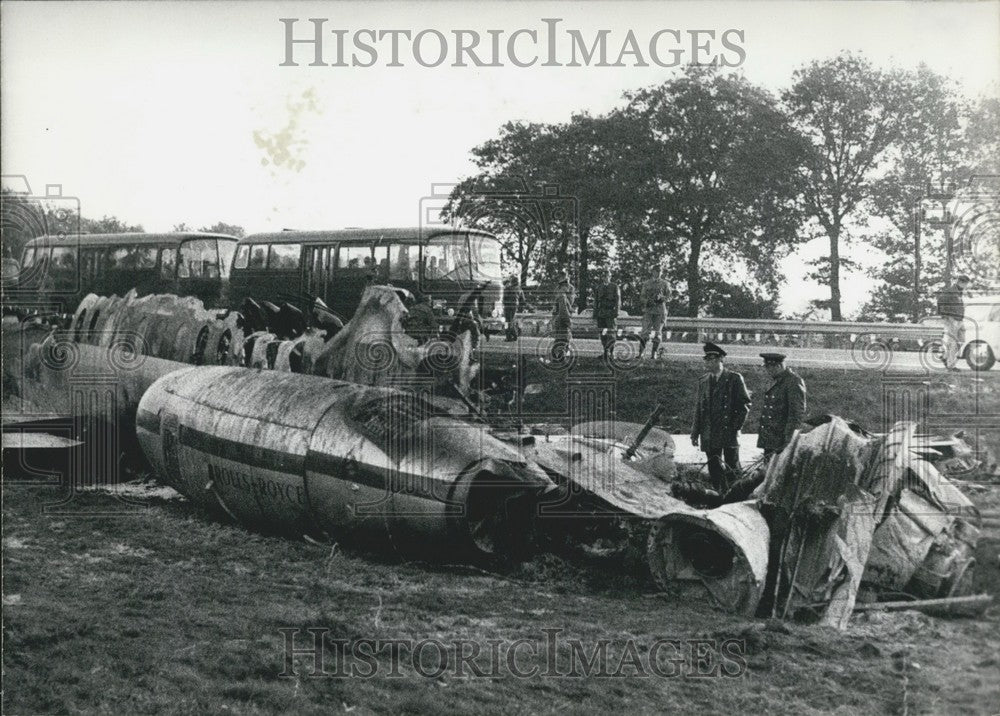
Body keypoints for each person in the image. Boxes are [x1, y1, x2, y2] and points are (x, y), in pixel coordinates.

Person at [690, 342, 752, 491]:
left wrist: (735, 427)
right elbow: (699, 409)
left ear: (720, 360)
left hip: (727, 431)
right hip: (709, 431)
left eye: (712, 359)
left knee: (732, 466)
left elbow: (744, 405)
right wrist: (695, 433)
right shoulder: (703, 381)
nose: (709, 362)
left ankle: (737, 494)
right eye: (707, 359)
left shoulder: (734, 379)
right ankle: (719, 495)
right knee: (714, 467)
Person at [756, 353, 807, 462]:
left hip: (781, 439)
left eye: (768, 367)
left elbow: (797, 413)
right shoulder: (776, 380)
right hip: (771, 438)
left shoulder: (793, 381)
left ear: (777, 366)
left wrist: (789, 439)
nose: (767, 371)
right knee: (769, 470)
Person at [938, 274, 971, 371]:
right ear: (960, 282)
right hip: (952, 320)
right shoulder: (950, 291)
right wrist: (947, 317)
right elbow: (940, 302)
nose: (966, 286)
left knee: (961, 340)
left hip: (959, 320)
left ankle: (944, 357)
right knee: (953, 342)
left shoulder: (959, 292)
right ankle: (950, 365)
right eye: (965, 284)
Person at [638, 264, 670, 359]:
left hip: (660, 311)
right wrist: (648, 301)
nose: (658, 273)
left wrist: (662, 298)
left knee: (657, 333)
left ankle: (654, 353)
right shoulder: (647, 283)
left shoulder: (665, 284)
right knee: (644, 332)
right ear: (653, 272)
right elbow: (642, 296)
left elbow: (669, 297)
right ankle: (641, 353)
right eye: (656, 271)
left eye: (659, 271)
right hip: (649, 310)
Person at [592, 267, 621, 361]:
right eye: (603, 276)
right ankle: (605, 352)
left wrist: (616, 312)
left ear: (610, 276)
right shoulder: (599, 287)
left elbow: (617, 300)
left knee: (611, 333)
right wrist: (595, 314)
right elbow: (596, 301)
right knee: (602, 334)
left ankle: (611, 353)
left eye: (607, 276)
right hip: (601, 313)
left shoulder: (614, 286)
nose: (605, 278)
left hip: (610, 313)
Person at [550, 273, 574, 362]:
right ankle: (560, 356)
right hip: (563, 315)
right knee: (565, 337)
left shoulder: (559, 289)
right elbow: (565, 306)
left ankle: (555, 356)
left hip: (557, 316)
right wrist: (568, 319)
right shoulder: (568, 289)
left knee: (559, 338)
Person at [503, 276, 530, 342]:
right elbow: (523, 300)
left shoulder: (508, 288)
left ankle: (511, 336)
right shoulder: (519, 289)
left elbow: (504, 297)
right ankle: (513, 335)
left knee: (507, 322)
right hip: (515, 306)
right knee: (511, 321)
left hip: (507, 306)